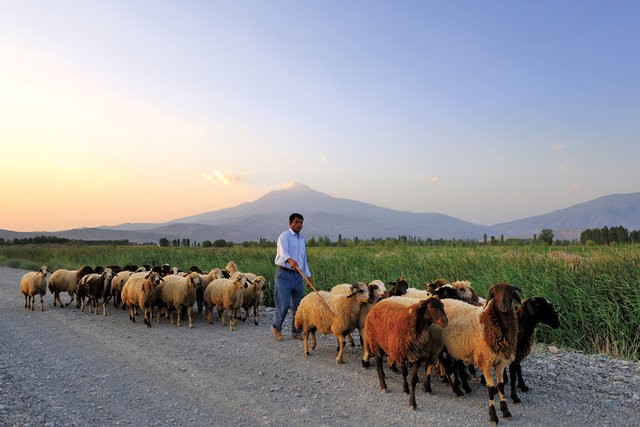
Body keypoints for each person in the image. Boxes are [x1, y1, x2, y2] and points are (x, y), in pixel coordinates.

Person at [272, 212, 312, 341]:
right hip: (284, 274)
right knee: (283, 304)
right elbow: (283, 252)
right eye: (296, 222)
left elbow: (303, 259)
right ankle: (276, 328)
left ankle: (296, 331)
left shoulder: (301, 239)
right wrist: (289, 260)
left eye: (301, 222)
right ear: (291, 223)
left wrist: (308, 276)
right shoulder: (284, 236)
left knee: (299, 306)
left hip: (298, 276)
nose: (299, 224)